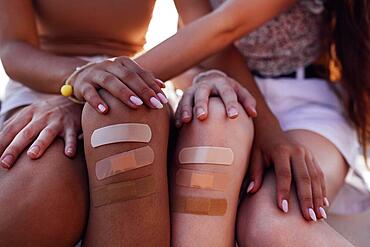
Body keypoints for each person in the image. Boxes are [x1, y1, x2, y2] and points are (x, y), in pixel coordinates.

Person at [0, 0, 368, 246]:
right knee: (169, 118)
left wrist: (89, 92)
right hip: (61, 80)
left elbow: (217, 32)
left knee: (269, 218)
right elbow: (11, 47)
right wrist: (82, 85)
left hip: (299, 97)